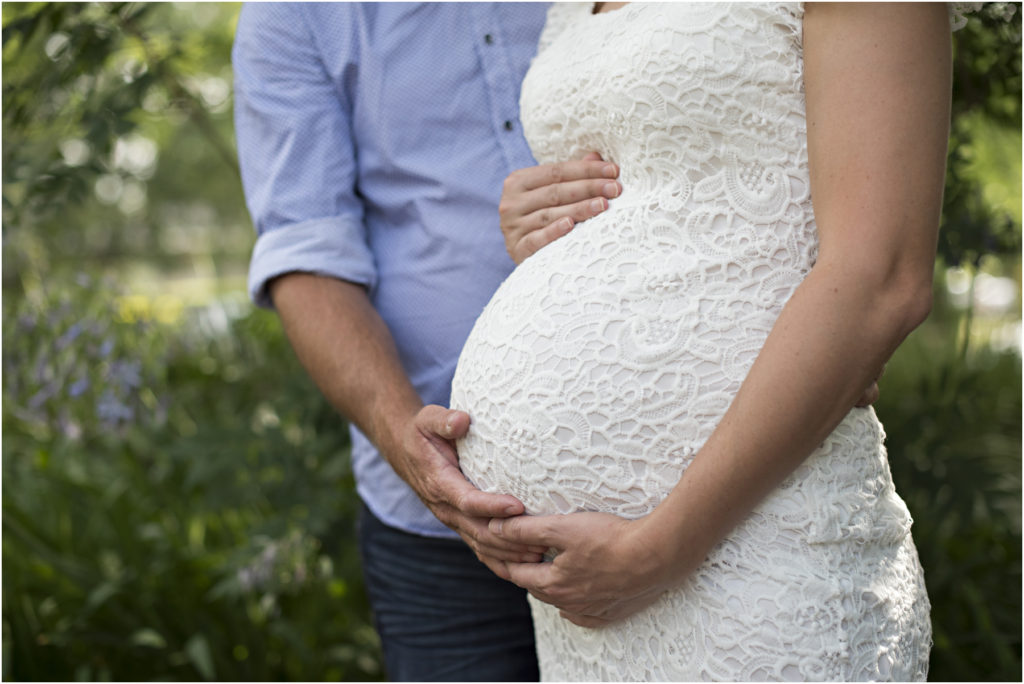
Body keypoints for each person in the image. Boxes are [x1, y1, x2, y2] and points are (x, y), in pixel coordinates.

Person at [450, 2, 952, 680]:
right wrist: (543, 231)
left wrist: (656, 552)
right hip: (586, 605)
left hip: (752, 555)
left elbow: (883, 279)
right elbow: (665, 202)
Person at [232, 3, 628, 680]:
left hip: (658, 483)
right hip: (439, 544)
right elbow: (306, 254)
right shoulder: (293, 15)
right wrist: (405, 443)